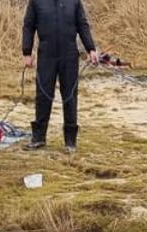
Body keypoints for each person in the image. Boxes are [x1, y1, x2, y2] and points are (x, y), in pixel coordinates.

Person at [20, 0, 99, 152]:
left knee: (69, 96)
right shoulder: (36, 2)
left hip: (69, 53)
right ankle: (38, 138)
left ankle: (70, 141)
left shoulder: (74, 2)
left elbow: (82, 25)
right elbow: (28, 26)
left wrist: (91, 48)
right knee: (43, 95)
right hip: (46, 53)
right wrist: (27, 51)